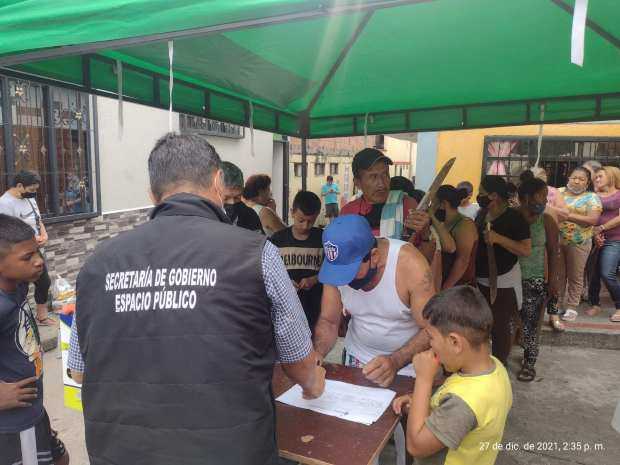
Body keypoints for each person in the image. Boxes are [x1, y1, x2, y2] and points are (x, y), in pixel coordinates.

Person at [67, 134, 325, 465]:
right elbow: (298, 361)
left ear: (152, 195)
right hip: (230, 451)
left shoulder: (96, 264)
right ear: (218, 181)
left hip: (121, 452)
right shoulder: (257, 254)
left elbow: (79, 372)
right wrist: (315, 384)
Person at [314, 214, 435, 465]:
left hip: (410, 363)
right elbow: (328, 320)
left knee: (407, 434)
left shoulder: (410, 266)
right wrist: (316, 355)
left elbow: (432, 329)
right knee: (355, 434)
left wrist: (395, 360)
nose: (344, 281)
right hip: (358, 357)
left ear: (375, 257)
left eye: (351, 272)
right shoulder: (337, 270)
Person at [392, 286, 512, 465]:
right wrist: (419, 403)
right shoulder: (495, 368)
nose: (429, 346)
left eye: (431, 338)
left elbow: (416, 446)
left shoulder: (464, 403)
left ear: (455, 342)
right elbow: (452, 416)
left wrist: (423, 379)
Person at [0, 214, 69, 465]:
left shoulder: (17, 287)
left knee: (61, 458)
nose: (39, 262)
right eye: (27, 257)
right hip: (12, 426)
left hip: (33, 411)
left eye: (38, 252)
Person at [475, 175, 531, 366]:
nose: (479, 197)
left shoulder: (515, 218)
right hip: (481, 280)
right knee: (480, 325)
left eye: (482, 193)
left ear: (494, 195)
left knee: (500, 327)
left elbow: (525, 249)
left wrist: (498, 239)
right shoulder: (482, 214)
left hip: (504, 280)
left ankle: (500, 366)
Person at [516, 178, 561, 381]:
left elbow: (553, 252)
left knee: (532, 323)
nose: (545, 200)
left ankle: (529, 362)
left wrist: (553, 280)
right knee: (511, 322)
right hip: (510, 278)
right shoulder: (511, 217)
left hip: (534, 280)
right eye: (542, 195)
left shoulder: (547, 221)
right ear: (526, 197)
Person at [0, 171, 55, 327]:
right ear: (19, 186)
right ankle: (18, 321)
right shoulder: (4, 204)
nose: (34, 193)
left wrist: (44, 234)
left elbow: (38, 219)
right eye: (31, 189)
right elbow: (6, 233)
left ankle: (41, 316)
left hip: (35, 249)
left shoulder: (29, 199)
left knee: (44, 281)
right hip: (19, 254)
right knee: (20, 287)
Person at [270, 191, 324, 333]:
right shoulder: (277, 240)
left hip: (314, 306)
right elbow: (268, 271)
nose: (305, 226)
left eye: (310, 221)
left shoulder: (323, 239)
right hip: (285, 307)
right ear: (292, 212)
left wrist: (315, 279)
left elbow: (332, 269)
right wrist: (285, 282)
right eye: (301, 220)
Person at [557, 167, 602, 322]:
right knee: (558, 275)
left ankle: (572, 306)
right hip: (557, 240)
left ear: (587, 182)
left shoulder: (592, 197)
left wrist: (566, 215)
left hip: (579, 242)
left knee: (575, 275)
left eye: (581, 179)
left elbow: (593, 220)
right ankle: (557, 304)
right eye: (574, 177)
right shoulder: (558, 192)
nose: (576, 181)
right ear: (568, 177)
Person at [588, 166, 620, 323]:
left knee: (607, 273)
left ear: (612, 176)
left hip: (614, 239)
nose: (597, 179)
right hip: (594, 239)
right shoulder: (592, 195)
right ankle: (595, 304)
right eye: (596, 177)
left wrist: (601, 228)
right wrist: (594, 234)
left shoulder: (619, 194)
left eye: (600, 176)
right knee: (592, 274)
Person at [435, 185, 478, 289]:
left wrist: (446, 288)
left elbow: (463, 260)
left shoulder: (464, 225)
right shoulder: (442, 223)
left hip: (459, 286)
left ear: (443, 204)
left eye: (434, 203)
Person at [220, 161, 263, 233]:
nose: (232, 202)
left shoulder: (249, 215)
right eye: (226, 198)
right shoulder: (205, 215)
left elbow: (258, 242)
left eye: (237, 197)